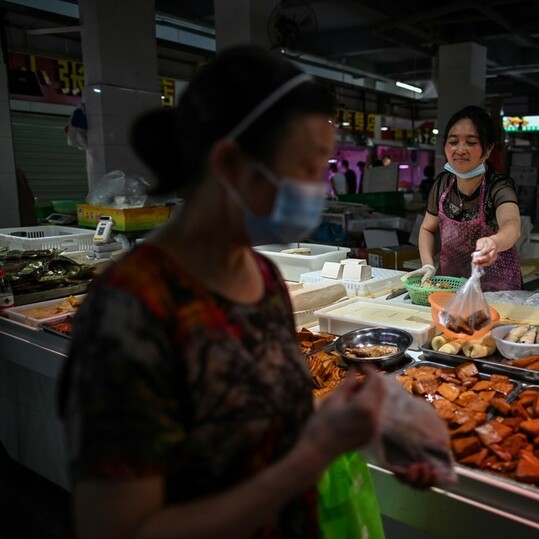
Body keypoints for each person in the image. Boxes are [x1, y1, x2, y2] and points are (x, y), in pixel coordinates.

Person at [58, 46, 432, 539]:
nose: (320, 189)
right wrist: (310, 458)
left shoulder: (264, 279)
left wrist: (354, 416)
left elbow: (264, 424)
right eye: (306, 166)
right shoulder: (132, 309)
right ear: (232, 163)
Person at [404, 106, 522, 292]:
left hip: (497, 294)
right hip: (449, 288)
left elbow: (512, 225)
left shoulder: (498, 186)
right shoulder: (443, 184)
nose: (460, 150)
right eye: (453, 142)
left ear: (488, 148)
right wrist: (427, 264)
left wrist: (495, 243)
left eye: (471, 142)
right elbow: (427, 228)